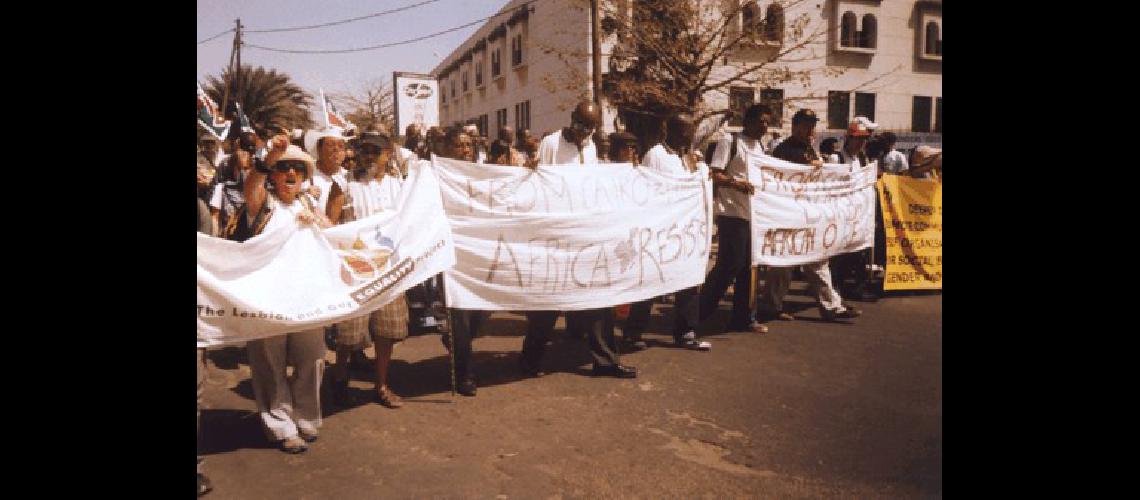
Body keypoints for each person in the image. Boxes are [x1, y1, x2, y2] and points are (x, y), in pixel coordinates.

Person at [520, 101, 637, 379]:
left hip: (585, 233)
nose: (585, 131)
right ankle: (530, 360)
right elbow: (540, 183)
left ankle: (606, 360)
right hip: (557, 234)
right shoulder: (551, 143)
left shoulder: (591, 147)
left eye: (591, 127)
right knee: (547, 304)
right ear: (572, 119)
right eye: (581, 125)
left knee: (597, 298)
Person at [236, 136, 331, 454]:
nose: (291, 173)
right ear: (273, 175)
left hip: (307, 298)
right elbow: (252, 184)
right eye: (283, 167)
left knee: (313, 359)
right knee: (269, 364)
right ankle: (280, 425)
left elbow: (334, 235)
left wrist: (320, 221)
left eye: (297, 169)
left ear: (305, 177)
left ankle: (305, 417)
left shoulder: (308, 204)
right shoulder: (262, 203)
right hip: (267, 298)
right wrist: (269, 156)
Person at [324, 128, 409, 409]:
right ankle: (340, 377)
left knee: (387, 331)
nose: (368, 156)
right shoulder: (344, 184)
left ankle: (381, 384)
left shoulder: (400, 185)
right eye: (364, 150)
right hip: (355, 270)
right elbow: (329, 225)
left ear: (388, 154)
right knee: (349, 334)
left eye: (375, 150)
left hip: (389, 269)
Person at [763, 109, 861, 322]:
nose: (810, 129)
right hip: (789, 213)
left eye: (812, 125)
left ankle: (831, 306)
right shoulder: (784, 150)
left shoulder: (810, 148)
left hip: (809, 214)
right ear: (795, 126)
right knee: (783, 264)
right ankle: (771, 305)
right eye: (806, 125)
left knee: (817, 260)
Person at [625, 113, 710, 351]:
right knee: (651, 281)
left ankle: (685, 332)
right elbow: (647, 189)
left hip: (686, 231)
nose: (689, 134)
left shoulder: (690, 158)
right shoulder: (656, 155)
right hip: (660, 231)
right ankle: (633, 332)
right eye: (685, 130)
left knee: (688, 279)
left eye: (691, 130)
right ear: (670, 130)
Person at [697, 104, 772, 334]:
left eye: (768, 122)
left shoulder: (761, 146)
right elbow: (715, 173)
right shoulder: (730, 142)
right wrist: (736, 184)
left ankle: (744, 317)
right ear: (748, 121)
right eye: (761, 121)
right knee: (730, 265)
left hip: (754, 217)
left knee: (750, 267)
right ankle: (698, 313)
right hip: (732, 213)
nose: (765, 126)